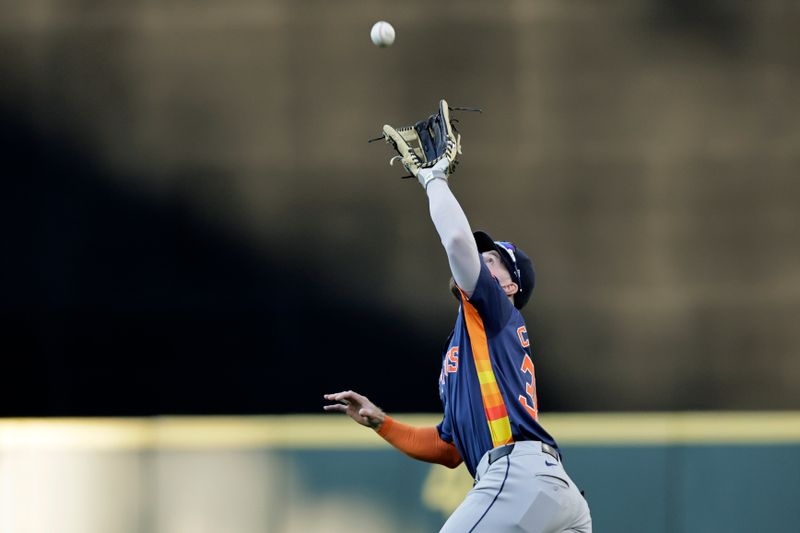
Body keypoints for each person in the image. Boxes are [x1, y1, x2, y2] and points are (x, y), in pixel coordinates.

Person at [324, 159, 592, 532]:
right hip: (553, 491)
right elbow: (449, 448)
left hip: (519, 473)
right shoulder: (471, 343)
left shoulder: (495, 309)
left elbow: (455, 240)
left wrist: (433, 179)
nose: (482, 261)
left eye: (493, 260)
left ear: (509, 286)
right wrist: (382, 423)